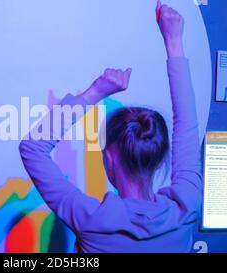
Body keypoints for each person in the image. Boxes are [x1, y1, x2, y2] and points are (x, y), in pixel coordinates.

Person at [19, 2, 202, 253]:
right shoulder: (187, 207)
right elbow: (187, 124)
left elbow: (32, 148)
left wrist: (95, 91)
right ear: (160, 161)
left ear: (109, 157)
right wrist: (174, 41)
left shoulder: (91, 220)